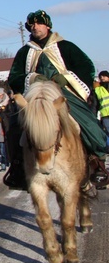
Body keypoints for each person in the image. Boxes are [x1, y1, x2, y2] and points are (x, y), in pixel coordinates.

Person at [6, 10, 108, 192]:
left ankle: (96, 162)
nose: (34, 27)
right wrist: (31, 79)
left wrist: (66, 78)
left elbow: (87, 67)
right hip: (35, 96)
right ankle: (18, 167)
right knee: (15, 127)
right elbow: (14, 76)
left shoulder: (66, 47)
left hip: (64, 93)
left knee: (88, 123)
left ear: (48, 26)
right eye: (31, 24)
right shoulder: (25, 51)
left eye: (38, 23)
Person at [96, 70, 109, 142]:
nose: (102, 77)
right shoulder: (98, 89)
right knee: (107, 131)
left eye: (104, 76)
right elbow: (95, 103)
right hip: (105, 115)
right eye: (100, 76)